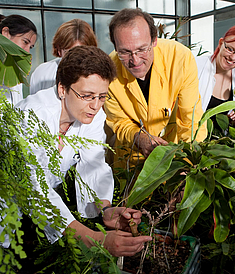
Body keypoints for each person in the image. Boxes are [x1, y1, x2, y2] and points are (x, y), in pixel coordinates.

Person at [16, 46, 152, 257]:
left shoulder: (92, 116)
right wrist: (93, 238)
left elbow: (93, 164)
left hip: (37, 213)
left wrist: (105, 209)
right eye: (87, 95)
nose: (95, 106)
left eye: (102, 97)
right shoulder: (32, 115)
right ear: (62, 89)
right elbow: (34, 186)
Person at [104, 8, 206, 167]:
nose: (135, 60)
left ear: (154, 40)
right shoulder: (109, 70)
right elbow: (118, 122)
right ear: (115, 47)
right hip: (130, 156)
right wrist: (139, 137)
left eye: (141, 49)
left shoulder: (179, 59)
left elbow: (190, 119)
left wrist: (190, 163)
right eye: (125, 52)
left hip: (173, 152)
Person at [196, 24, 235, 127]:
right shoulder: (197, 66)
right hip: (192, 138)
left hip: (221, 140)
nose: (233, 57)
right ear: (221, 43)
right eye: (230, 49)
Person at [29, 19, 98, 95]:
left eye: (81, 53)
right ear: (59, 50)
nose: (75, 58)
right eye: (69, 52)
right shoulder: (42, 73)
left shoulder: (98, 75)